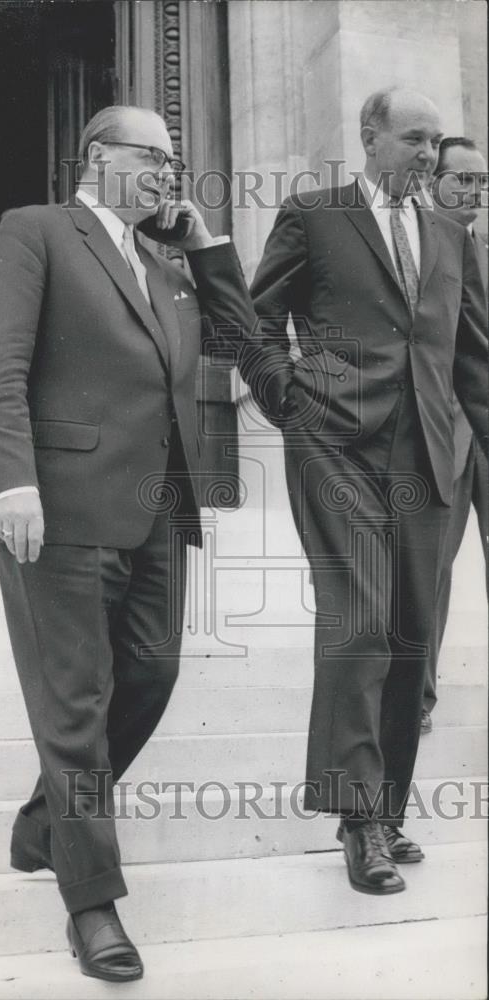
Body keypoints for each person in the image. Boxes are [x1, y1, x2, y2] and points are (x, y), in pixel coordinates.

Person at [0, 104, 253, 982]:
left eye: (175, 158)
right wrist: (11, 480)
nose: (170, 170)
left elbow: (242, 342)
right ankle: (92, 905)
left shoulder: (169, 264)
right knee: (75, 705)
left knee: (153, 674)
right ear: (95, 157)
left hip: (155, 509)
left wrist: (205, 246)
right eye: (152, 155)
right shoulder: (38, 231)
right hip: (62, 506)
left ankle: (47, 822)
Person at [241, 88, 487, 896]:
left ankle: (387, 807)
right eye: (413, 138)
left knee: (414, 637)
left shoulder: (453, 233)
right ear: (369, 138)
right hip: (336, 447)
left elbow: (474, 363)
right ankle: (358, 822)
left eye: (435, 141)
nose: (426, 153)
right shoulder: (315, 214)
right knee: (362, 621)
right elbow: (251, 321)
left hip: (430, 459)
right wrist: (290, 398)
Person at [424, 137, 489, 732]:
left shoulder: (485, 248)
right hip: (441, 431)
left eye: (480, 181)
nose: (472, 191)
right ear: (433, 181)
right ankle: (416, 700)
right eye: (461, 179)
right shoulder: (418, 245)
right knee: (430, 568)